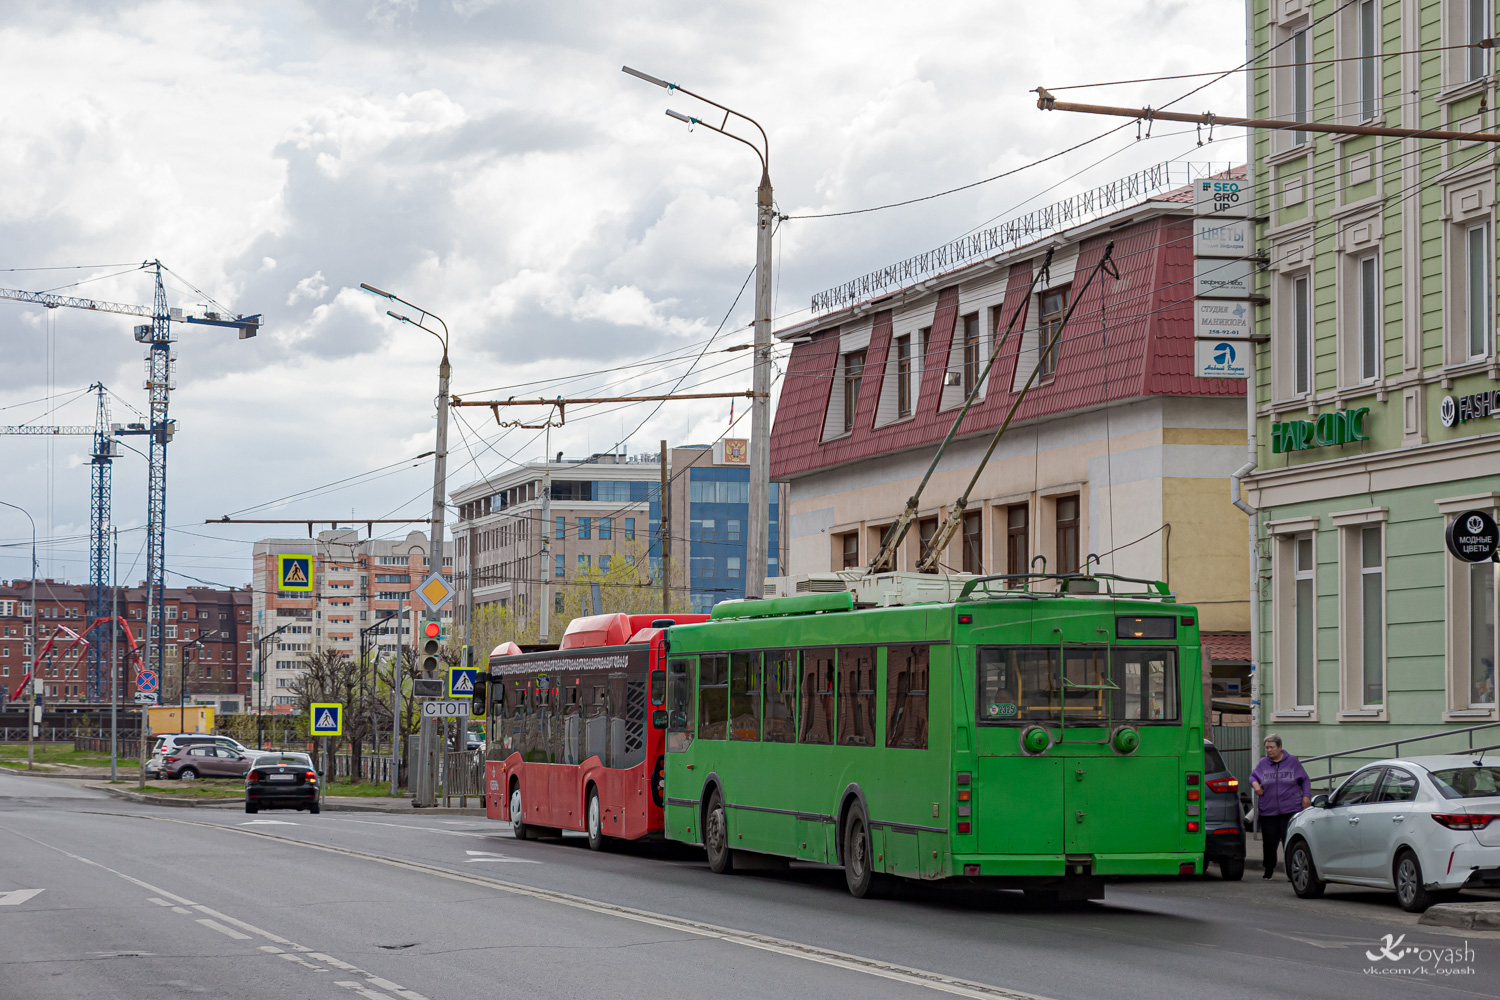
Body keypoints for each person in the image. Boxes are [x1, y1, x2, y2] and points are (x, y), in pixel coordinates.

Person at [1250, 733, 1312, 879]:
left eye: (1271, 747)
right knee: (1269, 843)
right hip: (1268, 810)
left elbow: (1305, 780)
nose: (1269, 750)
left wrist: (1306, 796)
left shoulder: (1292, 762)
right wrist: (1256, 786)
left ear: (1280, 747)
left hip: (1290, 809)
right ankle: (1269, 869)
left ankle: (1292, 872)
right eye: (1266, 748)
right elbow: (1253, 776)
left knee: (1289, 841)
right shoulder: (1263, 763)